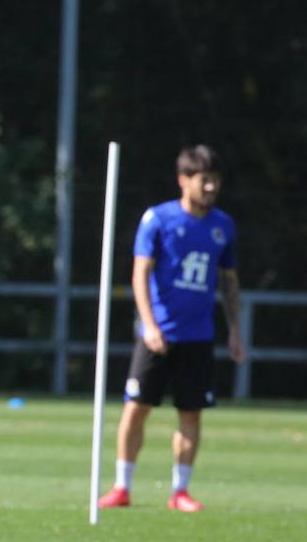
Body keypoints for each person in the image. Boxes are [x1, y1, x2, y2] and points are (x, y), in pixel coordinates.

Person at [98, 144, 245, 512]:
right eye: (204, 180)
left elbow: (229, 281)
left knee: (191, 413)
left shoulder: (223, 226)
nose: (211, 188)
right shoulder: (158, 220)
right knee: (136, 408)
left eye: (216, 181)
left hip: (198, 336)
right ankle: (122, 486)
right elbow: (139, 274)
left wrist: (235, 329)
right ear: (184, 181)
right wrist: (148, 325)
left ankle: (180, 491)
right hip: (157, 334)